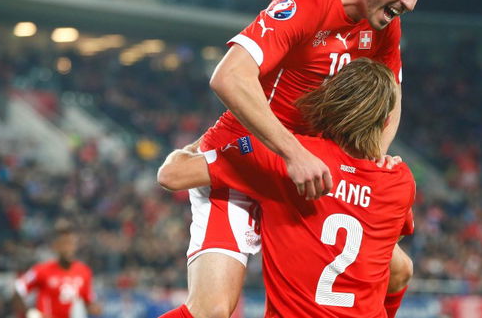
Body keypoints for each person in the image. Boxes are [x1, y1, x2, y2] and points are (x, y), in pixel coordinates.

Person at [177, 0, 436, 318]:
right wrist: (294, 153)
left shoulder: (385, 24)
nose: (411, 2)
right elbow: (228, 76)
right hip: (252, 159)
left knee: (399, 271)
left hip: (312, 173)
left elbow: (390, 98)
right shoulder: (308, 0)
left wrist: (366, 163)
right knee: (212, 310)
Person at [158, 58, 416, 318]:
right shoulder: (399, 181)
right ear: (384, 123)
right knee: (401, 267)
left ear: (326, 101)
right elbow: (388, 241)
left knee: (207, 312)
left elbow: (172, 175)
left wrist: (201, 144)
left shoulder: (290, 159)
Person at [13, 219, 102, 318]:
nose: (67, 248)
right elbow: (18, 290)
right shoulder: (41, 270)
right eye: (64, 244)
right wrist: (29, 313)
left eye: (70, 243)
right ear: (56, 246)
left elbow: (88, 301)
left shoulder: (84, 272)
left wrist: (95, 308)